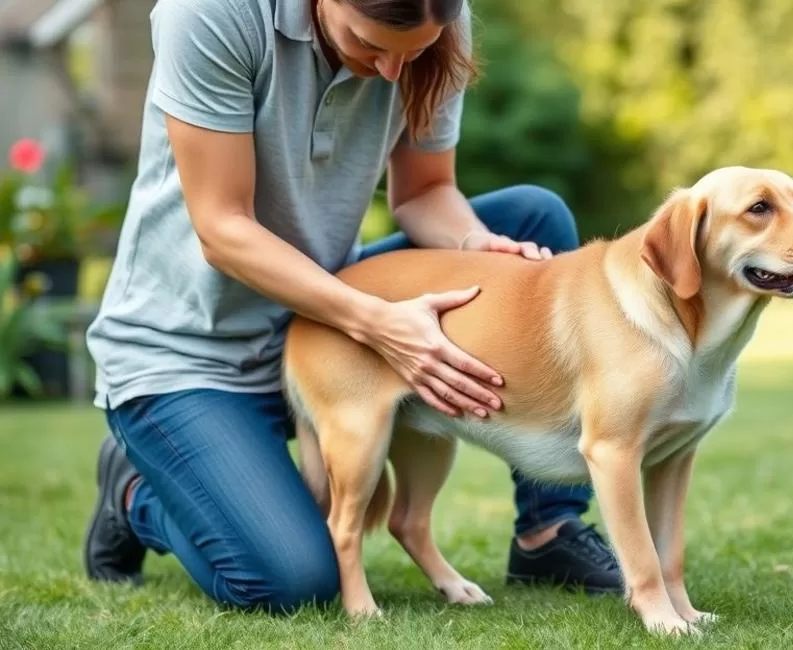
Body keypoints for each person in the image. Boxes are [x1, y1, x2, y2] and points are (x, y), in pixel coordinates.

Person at [82, 0, 622, 612]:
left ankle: (548, 530)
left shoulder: (438, 19)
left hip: (323, 317)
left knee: (533, 219)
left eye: (413, 54)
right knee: (292, 580)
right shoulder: (211, 14)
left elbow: (425, 191)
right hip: (190, 356)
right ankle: (137, 492)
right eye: (371, 45)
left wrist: (476, 245)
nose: (392, 72)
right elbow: (223, 230)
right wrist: (376, 323)